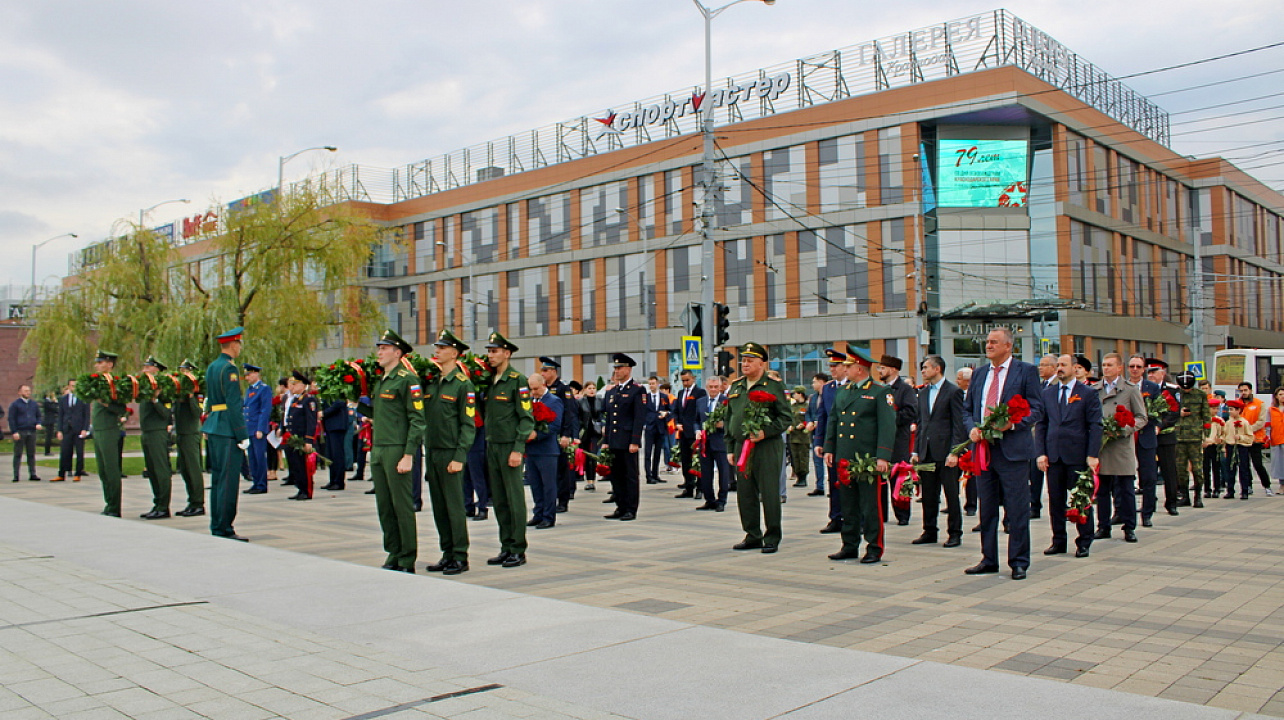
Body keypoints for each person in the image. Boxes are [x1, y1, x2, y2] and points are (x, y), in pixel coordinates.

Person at [962, 328, 1044, 581]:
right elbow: (966, 409)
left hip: (1013, 450)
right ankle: (988, 558)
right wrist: (972, 428)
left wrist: (1014, 424)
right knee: (987, 508)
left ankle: (1019, 561)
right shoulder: (980, 374)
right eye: (987, 342)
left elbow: (1037, 408)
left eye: (994, 342)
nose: (989, 346)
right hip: (984, 450)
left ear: (1008, 346)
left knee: (1017, 508)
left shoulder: (1025, 371)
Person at [359, 329, 427, 572]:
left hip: (398, 449)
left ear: (398, 353)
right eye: (379, 348)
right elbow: (381, 415)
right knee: (385, 506)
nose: (379, 352)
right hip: (379, 448)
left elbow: (417, 419)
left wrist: (409, 454)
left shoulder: (407, 380)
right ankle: (393, 552)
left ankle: (407, 558)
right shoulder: (382, 380)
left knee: (401, 506)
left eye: (384, 348)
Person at [823, 346, 895, 563]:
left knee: (870, 505)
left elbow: (887, 425)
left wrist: (882, 456)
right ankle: (850, 544)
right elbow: (834, 421)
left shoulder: (879, 392)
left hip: (867, 458)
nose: (845, 369)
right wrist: (830, 448)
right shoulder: (844, 391)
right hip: (846, 457)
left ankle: (874, 547)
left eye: (849, 366)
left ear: (860, 368)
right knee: (848, 504)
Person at [726, 342, 793, 554]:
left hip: (767, 447)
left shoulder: (773, 386)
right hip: (741, 447)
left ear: (762, 363)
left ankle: (772, 535)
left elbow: (786, 418)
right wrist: (729, 448)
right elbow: (730, 419)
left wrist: (766, 431)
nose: (745, 364)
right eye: (743, 360)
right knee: (745, 493)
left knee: (769, 492)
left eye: (750, 360)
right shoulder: (736, 386)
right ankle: (752, 534)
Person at [1035, 354, 1103, 558]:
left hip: (1077, 455)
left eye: (1063, 365)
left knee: (1080, 500)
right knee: (1055, 501)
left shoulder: (1087, 393)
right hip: (1054, 455)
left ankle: (1084, 541)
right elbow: (1042, 425)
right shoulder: (1048, 393)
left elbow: (1095, 425)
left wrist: (1092, 454)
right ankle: (1058, 540)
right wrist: (1041, 453)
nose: (1059, 369)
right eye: (1057, 365)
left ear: (1075, 368)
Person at [423, 328, 477, 575]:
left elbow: (468, 425)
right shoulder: (432, 382)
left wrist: (459, 456)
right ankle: (446, 552)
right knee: (439, 506)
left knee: (454, 506)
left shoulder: (462, 385)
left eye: (443, 348)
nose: (437, 351)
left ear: (454, 353)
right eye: (437, 347)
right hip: (433, 451)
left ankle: (460, 555)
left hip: (450, 453)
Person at [483, 331, 535, 566]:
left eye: (494, 351)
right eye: (489, 351)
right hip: (492, 445)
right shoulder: (489, 380)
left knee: (513, 499)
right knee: (500, 499)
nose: (490, 355)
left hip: (509, 447)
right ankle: (505, 545)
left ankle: (518, 548)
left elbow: (526, 418)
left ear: (507, 353)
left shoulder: (517, 380)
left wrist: (517, 448)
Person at [911, 355, 968, 548]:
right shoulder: (923, 393)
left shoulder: (953, 392)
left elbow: (958, 425)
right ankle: (929, 530)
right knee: (928, 495)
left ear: (937, 369)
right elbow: (921, 423)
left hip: (946, 453)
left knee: (951, 494)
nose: (923, 371)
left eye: (926, 367)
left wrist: (955, 452)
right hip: (927, 452)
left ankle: (955, 533)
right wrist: (916, 450)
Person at [1093, 353, 1147, 543]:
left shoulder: (1130, 389)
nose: (1105, 368)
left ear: (1119, 368)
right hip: (1102, 445)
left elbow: (1142, 417)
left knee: (1126, 490)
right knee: (1102, 490)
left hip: (1122, 445)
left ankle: (1129, 527)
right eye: (1103, 365)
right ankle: (1103, 526)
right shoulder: (1095, 389)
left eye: (1109, 365)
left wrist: (1125, 428)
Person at [202, 328, 249, 540]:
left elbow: (211, 400)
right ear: (232, 345)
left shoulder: (212, 367)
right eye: (238, 344)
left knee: (219, 479)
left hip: (214, 425)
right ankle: (225, 527)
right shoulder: (230, 369)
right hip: (227, 429)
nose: (239, 348)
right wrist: (242, 434)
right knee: (229, 482)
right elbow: (233, 403)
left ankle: (216, 524)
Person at [602, 353, 647, 521]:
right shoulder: (613, 391)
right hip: (614, 440)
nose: (616, 371)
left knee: (630, 476)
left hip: (628, 440)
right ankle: (620, 507)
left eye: (620, 368)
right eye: (615, 368)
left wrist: (635, 440)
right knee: (616, 475)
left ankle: (630, 509)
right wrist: (606, 441)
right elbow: (609, 418)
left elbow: (639, 417)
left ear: (628, 369)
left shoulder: (637, 390)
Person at [876, 354, 917, 526]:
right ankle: (881, 513)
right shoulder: (880, 389)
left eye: (883, 368)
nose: (880, 371)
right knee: (881, 479)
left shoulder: (905, 389)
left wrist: (890, 418)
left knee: (899, 478)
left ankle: (902, 513)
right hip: (882, 442)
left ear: (893, 369)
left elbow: (911, 412)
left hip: (899, 441)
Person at [813, 348, 850, 533]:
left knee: (851, 481)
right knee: (834, 481)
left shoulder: (853, 385)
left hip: (851, 442)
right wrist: (819, 442)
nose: (832, 369)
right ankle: (835, 517)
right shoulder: (828, 388)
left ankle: (855, 519)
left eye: (836, 365)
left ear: (846, 367)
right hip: (833, 442)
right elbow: (823, 417)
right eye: (831, 366)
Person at [537, 357, 580, 513]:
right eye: (542, 370)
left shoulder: (563, 388)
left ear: (554, 372)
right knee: (550, 471)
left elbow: (570, 413)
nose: (543, 373)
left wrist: (566, 435)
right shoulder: (543, 388)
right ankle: (550, 500)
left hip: (559, 435)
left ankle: (563, 500)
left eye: (545, 370)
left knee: (562, 470)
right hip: (547, 435)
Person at [88, 351, 127, 515]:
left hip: (109, 430)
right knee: (103, 470)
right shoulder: (99, 382)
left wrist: (106, 405)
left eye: (101, 362)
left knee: (111, 470)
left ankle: (114, 506)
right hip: (98, 430)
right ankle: (109, 503)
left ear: (109, 364)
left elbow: (121, 408)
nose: (97, 365)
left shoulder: (115, 384)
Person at [524, 373, 563, 529]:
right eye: (531, 389)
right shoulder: (529, 401)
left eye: (536, 389)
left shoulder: (554, 401)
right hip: (531, 450)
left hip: (547, 450)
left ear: (544, 385)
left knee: (548, 485)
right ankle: (538, 513)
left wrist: (537, 434)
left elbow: (555, 425)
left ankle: (548, 516)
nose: (533, 392)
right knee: (535, 484)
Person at [137, 357, 173, 519]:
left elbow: (166, 414)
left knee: (161, 470)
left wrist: (155, 400)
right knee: (152, 470)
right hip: (147, 432)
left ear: (156, 369)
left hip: (158, 432)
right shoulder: (145, 387)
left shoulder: (163, 387)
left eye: (148, 367)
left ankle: (164, 506)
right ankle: (157, 503)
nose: (145, 369)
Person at [1146, 359, 1182, 519]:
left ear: (1163, 373)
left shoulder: (1172, 390)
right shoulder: (1143, 389)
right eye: (1149, 372)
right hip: (1147, 435)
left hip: (1166, 435)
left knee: (1169, 471)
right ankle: (1149, 503)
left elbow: (1174, 413)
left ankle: (1172, 502)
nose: (1151, 375)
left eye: (1154, 371)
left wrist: (1160, 426)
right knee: (1148, 472)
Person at [172, 360, 205, 516]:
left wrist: (191, 396)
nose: (183, 374)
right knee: (185, 469)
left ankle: (198, 503)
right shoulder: (180, 392)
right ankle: (191, 501)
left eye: (186, 371)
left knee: (193, 469)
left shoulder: (197, 393)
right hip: (181, 433)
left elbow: (197, 413)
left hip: (191, 433)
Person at [1174, 370, 1210, 512]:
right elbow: (1168, 413)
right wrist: (1179, 413)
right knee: (1180, 469)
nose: (1185, 389)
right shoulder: (1175, 394)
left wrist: (1206, 435)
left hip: (1195, 437)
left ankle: (1198, 496)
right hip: (1179, 436)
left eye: (1187, 387)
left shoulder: (1200, 395)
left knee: (1197, 469)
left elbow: (1206, 415)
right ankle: (1184, 496)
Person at [282, 371, 318, 500]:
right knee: (295, 465)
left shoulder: (309, 400)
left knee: (303, 467)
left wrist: (308, 440)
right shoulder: (296, 399)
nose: (292, 386)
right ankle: (300, 488)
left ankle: (306, 491)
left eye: (294, 384)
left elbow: (311, 421)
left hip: (302, 439)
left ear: (303, 385)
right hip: (293, 439)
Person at [1030, 353, 1058, 520]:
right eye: (1039, 364)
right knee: (1034, 472)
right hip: (1037, 435)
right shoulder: (1040, 386)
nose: (1040, 368)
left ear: (1054, 368)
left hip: (1053, 436)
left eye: (1044, 365)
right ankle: (1034, 505)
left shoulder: (1056, 385)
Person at [673, 369, 708, 499]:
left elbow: (700, 412)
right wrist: (677, 422)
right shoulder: (681, 392)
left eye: (687, 380)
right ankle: (688, 487)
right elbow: (676, 410)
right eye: (683, 381)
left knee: (697, 462)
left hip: (695, 433)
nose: (685, 383)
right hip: (683, 433)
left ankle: (700, 488)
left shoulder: (700, 393)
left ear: (693, 378)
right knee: (686, 461)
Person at [697, 375, 731, 512]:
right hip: (705, 443)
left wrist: (723, 425)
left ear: (720, 387)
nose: (713, 389)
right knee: (705, 473)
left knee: (723, 473)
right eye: (710, 387)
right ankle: (709, 500)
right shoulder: (700, 402)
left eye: (716, 387)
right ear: (706, 387)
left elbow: (733, 421)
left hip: (720, 442)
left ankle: (721, 500)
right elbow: (695, 420)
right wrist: (696, 430)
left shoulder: (726, 401)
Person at [1237, 382, 1272, 495]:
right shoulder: (1237, 405)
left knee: (1257, 464)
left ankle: (1267, 485)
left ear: (1250, 391)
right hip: (1241, 440)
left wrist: (1247, 430)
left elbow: (1261, 422)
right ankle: (1247, 486)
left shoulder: (1259, 404)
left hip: (1255, 438)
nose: (1243, 393)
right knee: (1244, 464)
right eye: (1241, 391)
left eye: (1245, 390)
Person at [241, 364, 271, 494]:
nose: (247, 377)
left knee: (259, 457)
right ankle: (255, 482)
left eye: (249, 374)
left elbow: (264, 410)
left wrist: (261, 428)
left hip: (257, 428)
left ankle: (262, 484)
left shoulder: (263, 389)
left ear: (256, 374)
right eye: (246, 375)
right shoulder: (249, 390)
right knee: (252, 458)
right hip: (249, 428)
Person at [54, 379, 89, 482]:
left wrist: (84, 429)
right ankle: (61, 474)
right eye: (72, 386)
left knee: (79, 452)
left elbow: (86, 415)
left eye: (76, 386)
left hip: (78, 429)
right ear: (68, 387)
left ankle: (78, 473)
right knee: (64, 452)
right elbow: (60, 415)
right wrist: (59, 430)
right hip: (67, 429)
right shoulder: (63, 399)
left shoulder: (83, 399)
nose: (74, 388)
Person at [1221, 399, 1255, 499]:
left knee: (1243, 469)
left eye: (1232, 409)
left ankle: (1244, 490)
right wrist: (1222, 440)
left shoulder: (1244, 422)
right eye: (1229, 409)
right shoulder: (1228, 423)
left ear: (1238, 410)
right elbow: (1225, 434)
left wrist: (1241, 437)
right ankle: (1230, 490)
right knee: (1230, 469)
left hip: (1241, 447)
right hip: (1230, 447)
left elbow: (1250, 437)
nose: (1230, 412)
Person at [9, 383, 43, 482]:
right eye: (25, 391)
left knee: (31, 454)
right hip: (20, 431)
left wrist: (38, 423)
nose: (28, 392)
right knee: (18, 454)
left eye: (29, 391)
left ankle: (32, 473)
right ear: (19, 392)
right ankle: (16, 475)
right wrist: (14, 431)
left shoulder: (33, 404)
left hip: (31, 431)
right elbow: (12, 419)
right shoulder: (15, 405)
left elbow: (39, 416)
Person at [641, 376, 671, 486]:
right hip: (649, 427)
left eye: (653, 383)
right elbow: (642, 411)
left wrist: (666, 415)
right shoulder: (646, 397)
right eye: (650, 384)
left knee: (658, 452)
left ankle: (655, 474)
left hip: (660, 427)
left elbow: (669, 410)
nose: (651, 385)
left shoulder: (663, 397)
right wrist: (644, 423)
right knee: (648, 452)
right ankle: (648, 475)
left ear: (657, 384)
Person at [805, 373, 830, 497]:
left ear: (822, 382)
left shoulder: (830, 395)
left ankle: (832, 487)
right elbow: (808, 412)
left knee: (830, 460)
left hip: (827, 432)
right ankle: (819, 486)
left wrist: (818, 422)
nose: (812, 384)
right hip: (815, 433)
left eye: (814, 382)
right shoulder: (813, 397)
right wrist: (809, 421)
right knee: (817, 460)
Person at [320, 393, 351, 491]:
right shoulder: (327, 389)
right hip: (329, 425)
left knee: (337, 455)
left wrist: (324, 413)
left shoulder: (338, 387)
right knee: (330, 455)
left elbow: (339, 403)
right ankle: (333, 480)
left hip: (337, 425)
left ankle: (339, 481)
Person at [578, 381, 604, 491]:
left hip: (595, 433)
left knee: (592, 456)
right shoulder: (580, 402)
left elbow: (603, 415)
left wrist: (602, 424)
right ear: (584, 390)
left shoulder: (600, 401)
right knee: (585, 457)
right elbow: (578, 417)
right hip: (584, 433)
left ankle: (591, 481)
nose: (592, 390)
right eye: (589, 388)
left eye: (594, 388)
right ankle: (587, 479)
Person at [787, 387, 811, 489]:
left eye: (795, 393)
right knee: (795, 457)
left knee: (803, 457)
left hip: (803, 437)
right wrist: (790, 425)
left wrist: (804, 424)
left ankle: (803, 477)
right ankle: (797, 474)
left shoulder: (807, 406)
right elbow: (789, 418)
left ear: (800, 394)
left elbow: (810, 418)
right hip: (793, 436)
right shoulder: (793, 406)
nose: (793, 395)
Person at [1269, 387, 1284, 493]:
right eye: (1280, 394)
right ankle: (1282, 485)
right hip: (1276, 439)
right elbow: (1268, 425)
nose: (1282, 397)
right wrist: (1268, 437)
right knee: (1279, 464)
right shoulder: (1271, 410)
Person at [41, 390, 58, 456]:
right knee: (48, 436)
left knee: (49, 436)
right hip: (49, 421)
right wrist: (55, 402)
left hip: (51, 420)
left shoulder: (49, 402)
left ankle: (48, 450)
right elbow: (54, 409)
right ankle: (47, 451)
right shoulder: (46, 402)